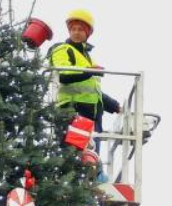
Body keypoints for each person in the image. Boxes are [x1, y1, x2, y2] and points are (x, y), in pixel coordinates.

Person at [49, 9, 121, 137]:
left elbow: (93, 92)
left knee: (91, 156)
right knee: (73, 154)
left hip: (93, 120)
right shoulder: (62, 49)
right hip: (73, 112)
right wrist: (89, 72)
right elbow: (63, 76)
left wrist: (114, 106)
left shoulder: (88, 59)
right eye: (73, 29)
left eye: (80, 29)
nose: (76, 32)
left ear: (87, 33)